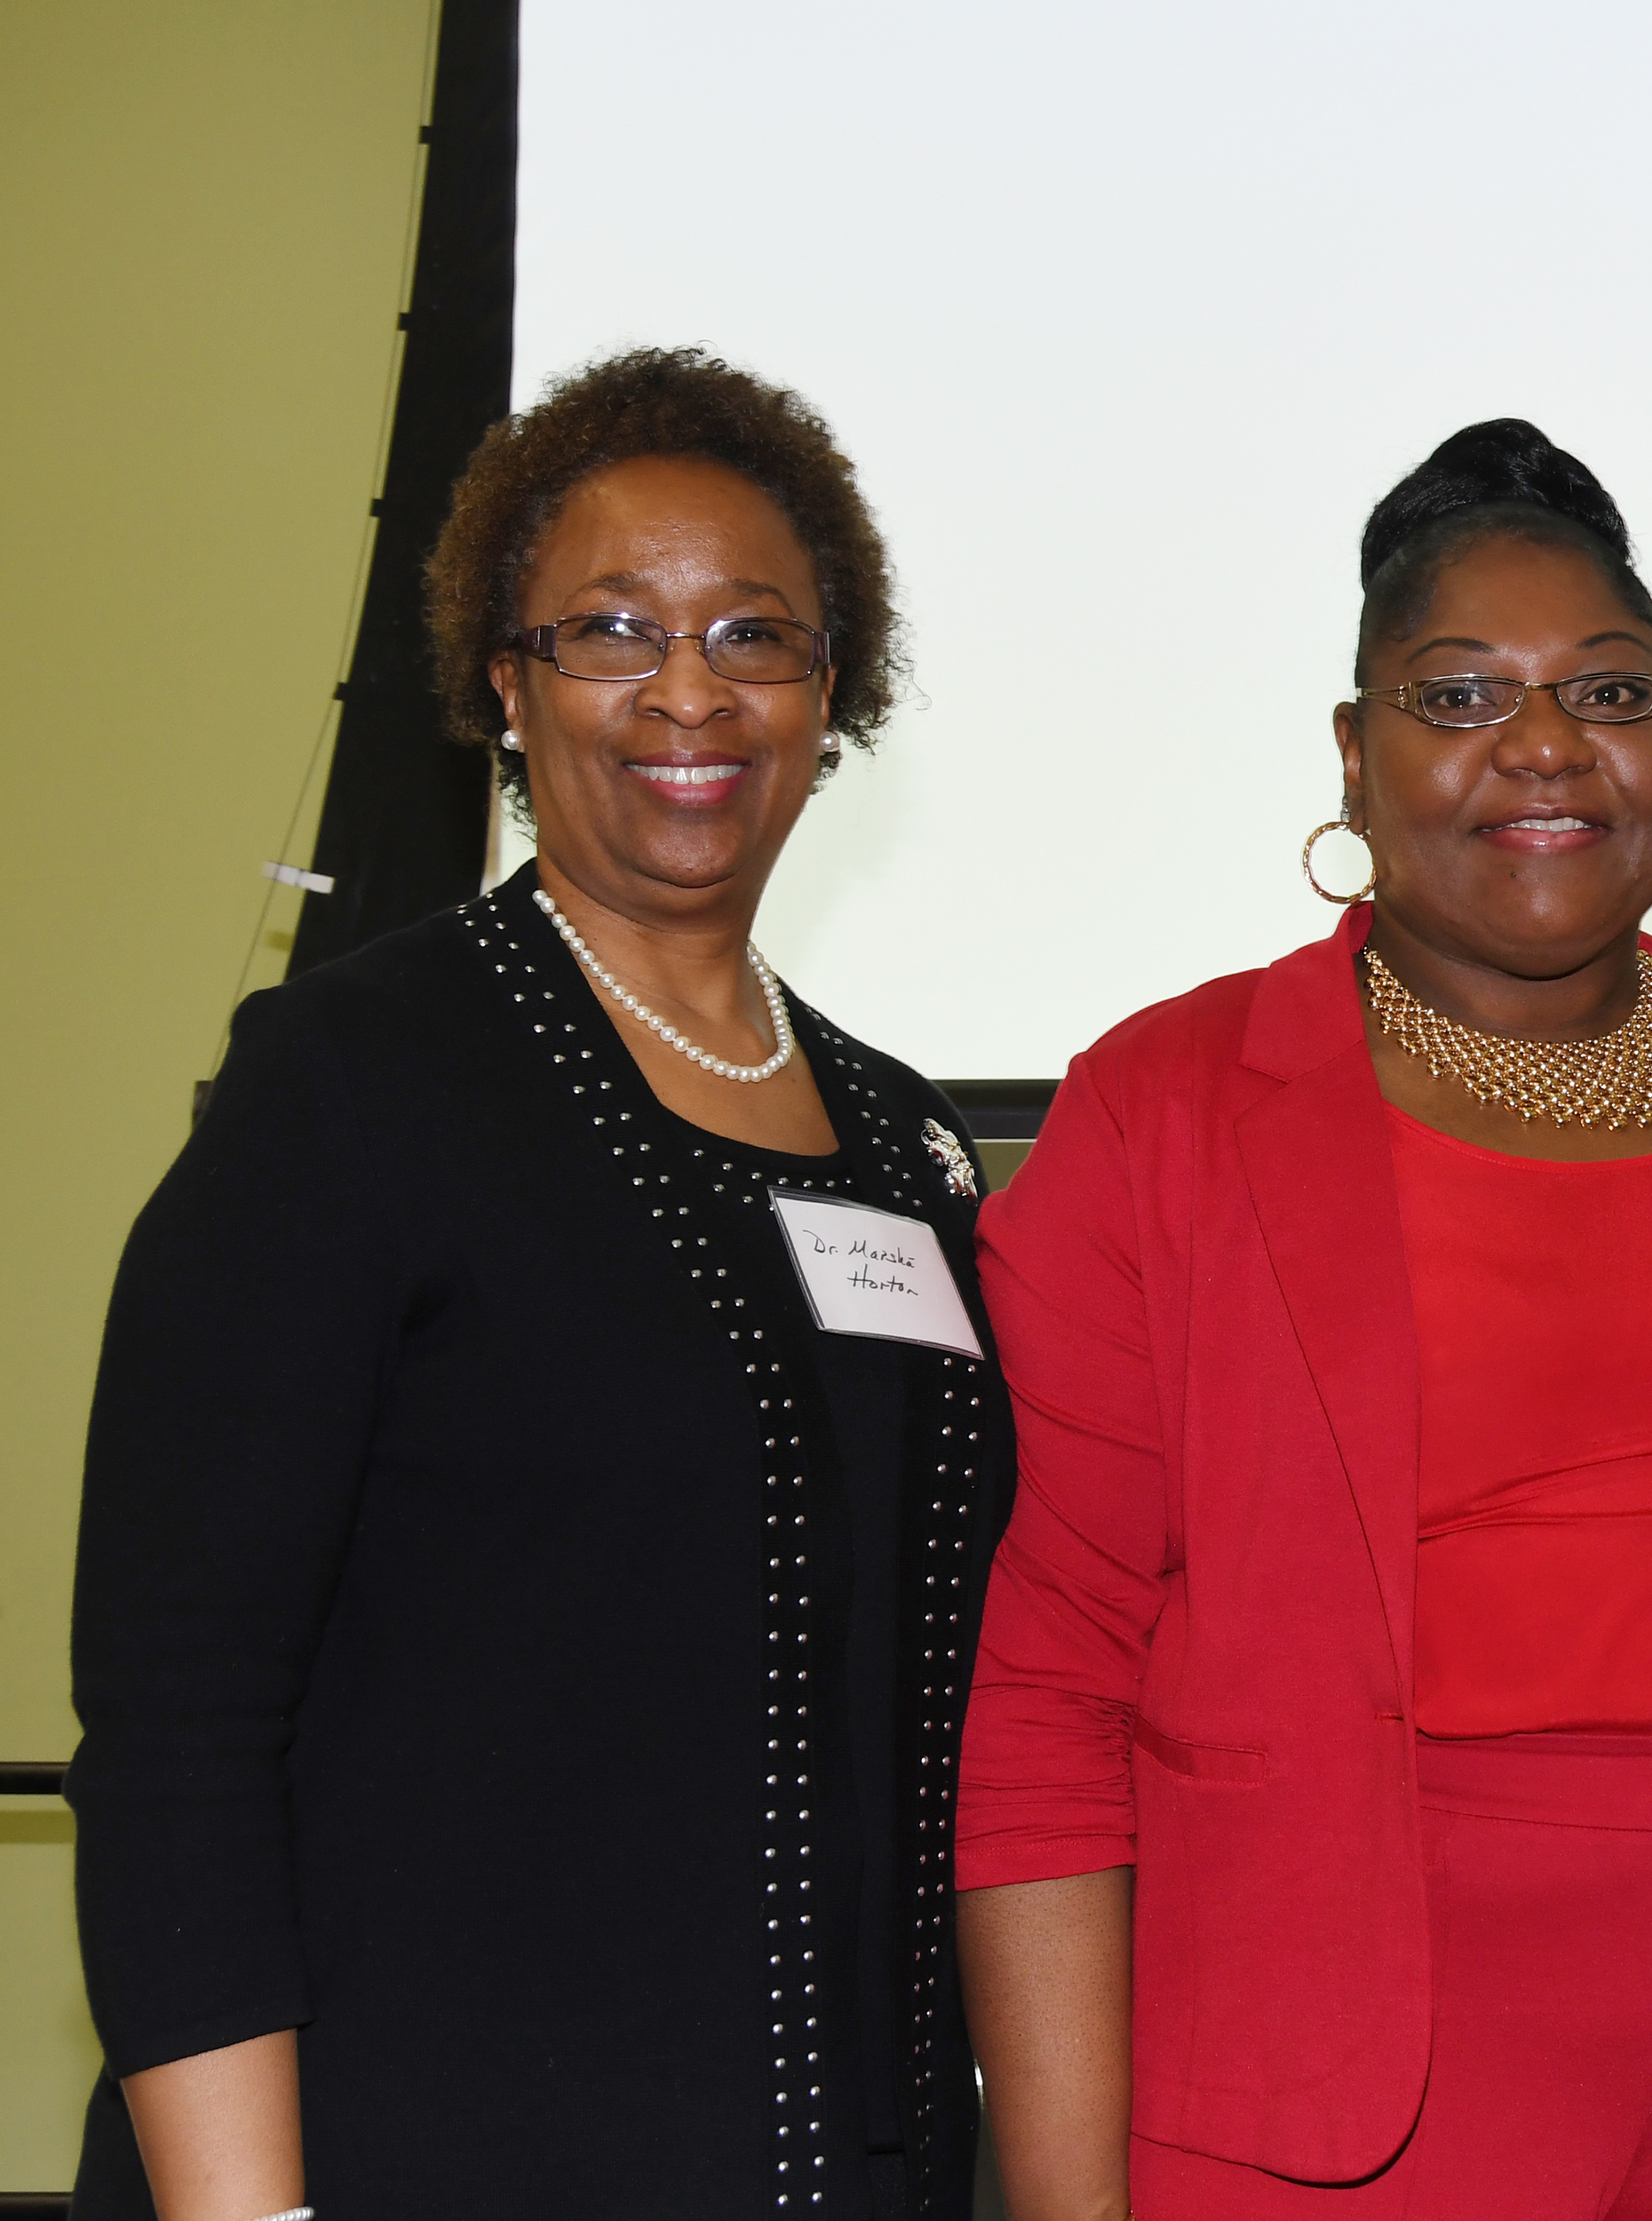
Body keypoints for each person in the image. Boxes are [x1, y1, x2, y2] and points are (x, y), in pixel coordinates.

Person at [953, 418, 1652, 2221]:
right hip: (1350, 2107)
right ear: (1349, 762)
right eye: (1455, 696)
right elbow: (1039, 1707)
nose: (1542, 746)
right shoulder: (1165, 1112)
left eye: (1610, 686)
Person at [65, 348, 1013, 2219]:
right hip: (422, 2155)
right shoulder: (350, 1082)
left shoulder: (907, 1147)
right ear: (504, 686)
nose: (688, 690)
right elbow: (179, 1721)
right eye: (610, 630)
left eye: (756, 635)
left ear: (834, 696)